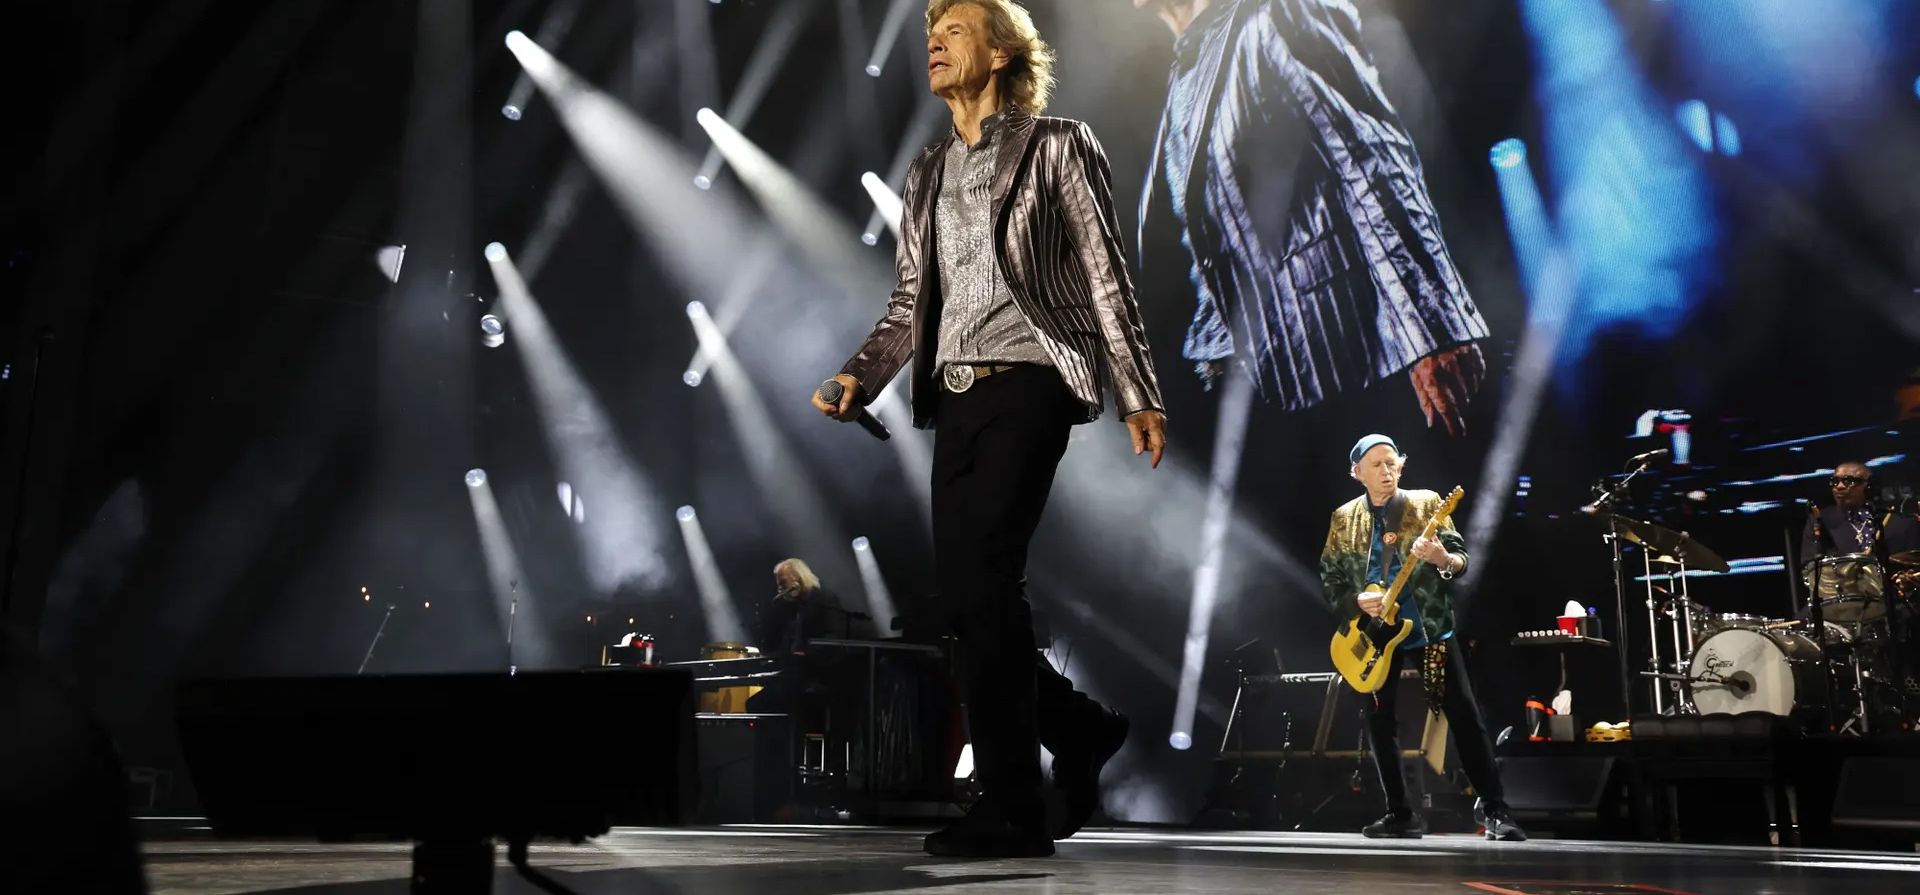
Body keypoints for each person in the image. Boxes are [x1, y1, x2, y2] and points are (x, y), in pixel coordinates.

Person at [811, 0, 1164, 858]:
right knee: (970, 606)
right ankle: (1077, 730)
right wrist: (860, 373)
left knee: (987, 583)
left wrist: (1138, 389)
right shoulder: (927, 170)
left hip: (1032, 383)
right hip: (956, 398)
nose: (932, 41)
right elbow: (909, 304)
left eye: (955, 29)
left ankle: (1011, 804)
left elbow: (1105, 273)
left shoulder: (1058, 144)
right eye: (928, 31)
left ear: (1003, 52)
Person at [1135, 0, 1489, 434]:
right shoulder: (1184, 73)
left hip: (1348, 357)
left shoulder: (1277, 13)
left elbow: (1369, 156)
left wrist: (1432, 327)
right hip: (1265, 393)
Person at [1319, 434, 1524, 840]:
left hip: (1428, 628)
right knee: (1379, 722)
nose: (1386, 471)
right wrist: (1356, 601)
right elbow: (1330, 575)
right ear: (1357, 472)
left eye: (1392, 462)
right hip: (1377, 636)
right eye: (1376, 464)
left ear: (1402, 467)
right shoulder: (1344, 518)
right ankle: (1400, 813)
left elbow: (1459, 558)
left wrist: (1443, 559)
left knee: (1463, 714)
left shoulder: (1427, 503)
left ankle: (1495, 810)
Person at [756, 558, 854, 655]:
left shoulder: (825, 599)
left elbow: (835, 636)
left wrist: (807, 653)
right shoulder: (798, 604)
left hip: (824, 665)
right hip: (803, 663)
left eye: (783, 582)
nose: (780, 589)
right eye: (779, 585)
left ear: (798, 577)